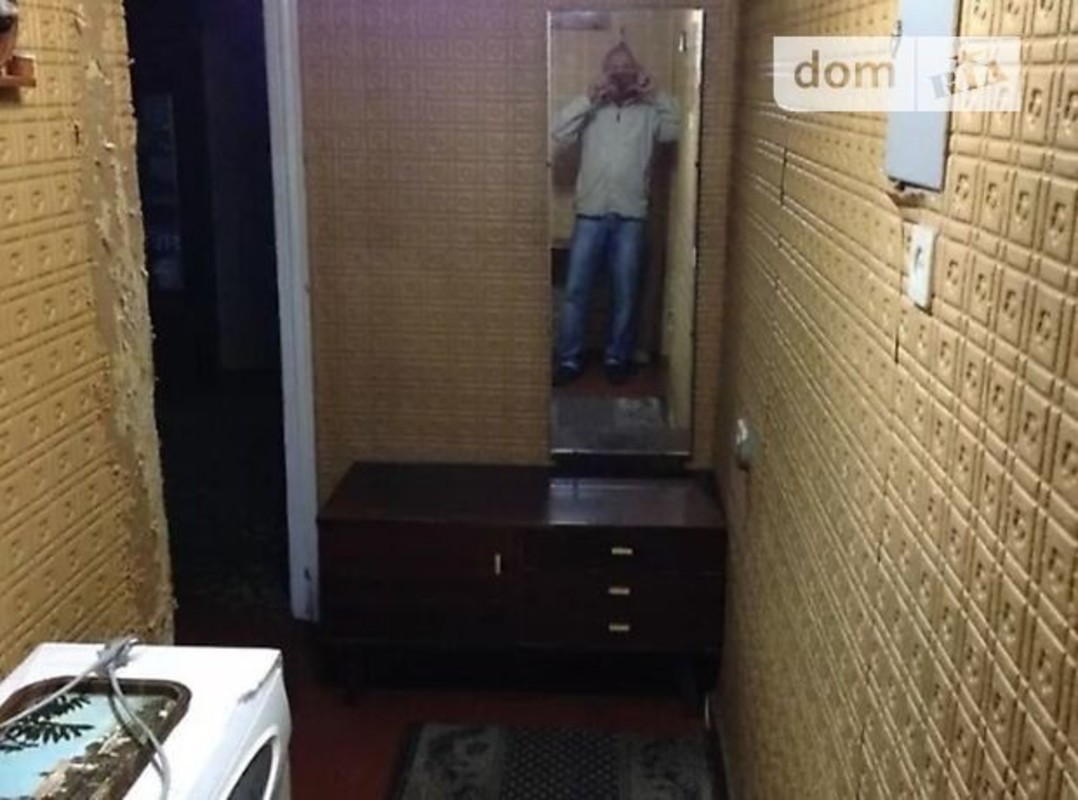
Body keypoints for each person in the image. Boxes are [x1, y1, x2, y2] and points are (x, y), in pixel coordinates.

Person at [551, 42, 680, 387]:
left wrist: (655, 94)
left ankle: (617, 358)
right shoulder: (592, 110)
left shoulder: (650, 112)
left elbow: (676, 129)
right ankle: (568, 359)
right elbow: (558, 131)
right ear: (605, 73)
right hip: (590, 214)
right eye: (615, 68)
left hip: (631, 216)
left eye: (627, 67)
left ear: (636, 71)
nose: (621, 74)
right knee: (576, 292)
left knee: (626, 292)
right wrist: (588, 97)